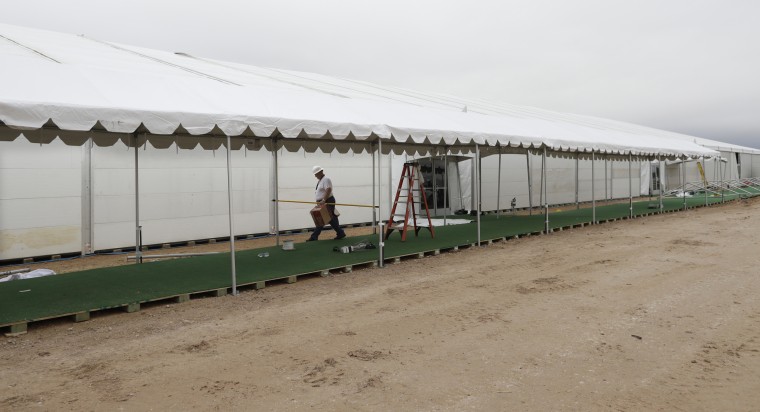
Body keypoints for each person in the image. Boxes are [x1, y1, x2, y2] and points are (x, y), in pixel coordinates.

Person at [307, 166, 346, 241]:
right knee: (329, 218)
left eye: (316, 174)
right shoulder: (321, 180)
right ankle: (340, 233)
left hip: (327, 200)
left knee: (322, 217)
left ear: (320, 172)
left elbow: (328, 189)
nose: (315, 176)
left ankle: (314, 236)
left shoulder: (326, 179)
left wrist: (324, 200)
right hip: (324, 201)